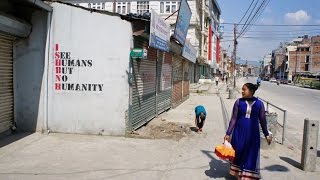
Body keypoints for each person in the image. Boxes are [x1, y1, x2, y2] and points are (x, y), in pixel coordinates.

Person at [224, 83, 272, 180]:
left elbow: (263, 120)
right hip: (239, 133)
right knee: (238, 153)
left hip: (253, 135)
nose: (242, 91)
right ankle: (239, 177)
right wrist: (228, 133)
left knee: (250, 155)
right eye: (242, 89)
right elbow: (233, 119)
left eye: (244, 89)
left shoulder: (259, 104)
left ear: (251, 91)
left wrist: (266, 134)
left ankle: (246, 177)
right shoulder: (238, 102)